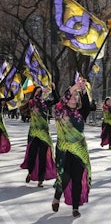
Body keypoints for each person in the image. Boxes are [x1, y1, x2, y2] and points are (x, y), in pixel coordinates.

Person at [52, 78, 91, 218]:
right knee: (64, 177)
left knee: (77, 178)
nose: (75, 96)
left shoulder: (81, 113)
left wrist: (84, 90)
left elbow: (87, 105)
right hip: (64, 151)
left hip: (80, 151)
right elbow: (61, 101)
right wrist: (75, 86)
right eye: (72, 94)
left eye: (77, 95)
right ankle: (57, 196)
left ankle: (75, 207)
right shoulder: (59, 111)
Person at [20, 84, 59, 187]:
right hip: (33, 134)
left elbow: (57, 100)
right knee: (32, 156)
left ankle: (40, 180)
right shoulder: (32, 102)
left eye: (40, 92)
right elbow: (34, 102)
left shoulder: (45, 103)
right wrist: (43, 91)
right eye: (37, 92)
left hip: (44, 134)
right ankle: (30, 173)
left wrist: (53, 90)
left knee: (43, 157)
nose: (39, 93)